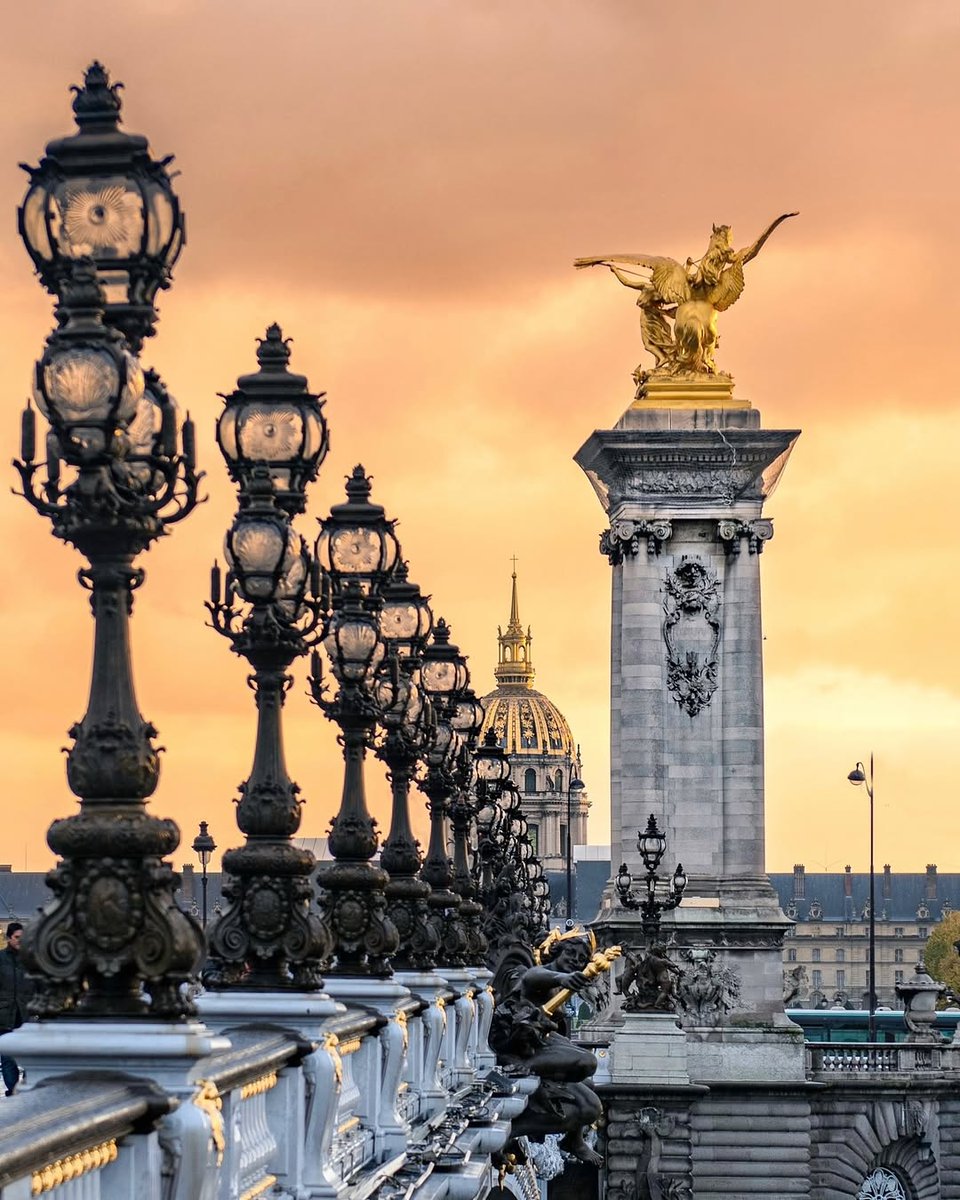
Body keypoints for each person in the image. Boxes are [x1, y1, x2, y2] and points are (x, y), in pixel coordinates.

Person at [0, 922, 34, 1095]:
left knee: (31, 1056)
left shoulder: (31, 960)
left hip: (26, 1014)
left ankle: (27, 1089)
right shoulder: (0, 959)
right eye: (17, 937)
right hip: (4, 1015)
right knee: (7, 1058)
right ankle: (13, 1091)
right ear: (8, 938)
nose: (20, 941)